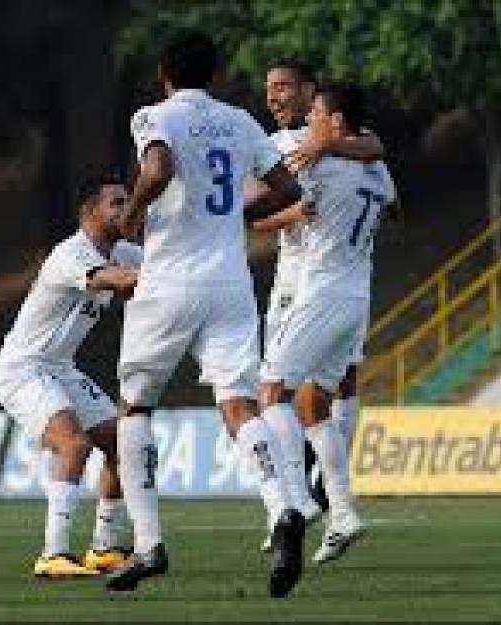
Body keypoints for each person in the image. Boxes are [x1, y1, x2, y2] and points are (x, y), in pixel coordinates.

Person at [105, 31, 306, 598]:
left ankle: (148, 544)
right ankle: (283, 506)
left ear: (164, 72)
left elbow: (159, 167)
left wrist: (133, 216)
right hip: (229, 283)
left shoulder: (154, 114)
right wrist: (236, 216)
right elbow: (286, 186)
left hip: (167, 279)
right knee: (239, 404)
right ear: (216, 75)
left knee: (136, 405)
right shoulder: (241, 122)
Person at [258, 82, 396, 564]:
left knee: (272, 391)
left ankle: (294, 501)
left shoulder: (306, 153)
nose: (310, 120)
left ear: (334, 122)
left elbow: (259, 194)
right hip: (357, 294)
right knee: (315, 402)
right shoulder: (376, 167)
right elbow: (392, 206)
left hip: (320, 291)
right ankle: (342, 513)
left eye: (317, 111)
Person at [0, 172, 141, 578]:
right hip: (23, 368)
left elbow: (159, 264)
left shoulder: (125, 252)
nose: (126, 208)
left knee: (122, 445)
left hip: (59, 368)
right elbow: (110, 279)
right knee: (74, 445)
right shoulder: (70, 254)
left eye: (128, 200)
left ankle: (104, 548)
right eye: (117, 202)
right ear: (90, 211)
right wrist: (163, 279)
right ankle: (53, 554)